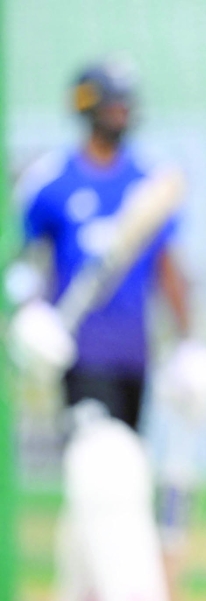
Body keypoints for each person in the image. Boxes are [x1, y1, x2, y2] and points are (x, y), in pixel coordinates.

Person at [12, 57, 190, 430]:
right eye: (113, 106)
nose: (121, 114)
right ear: (88, 107)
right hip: (78, 350)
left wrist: (188, 342)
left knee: (128, 456)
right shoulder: (51, 180)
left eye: (126, 106)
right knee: (97, 455)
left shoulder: (149, 182)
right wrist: (29, 313)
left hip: (134, 352)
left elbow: (167, 264)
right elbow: (25, 259)